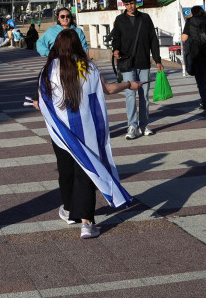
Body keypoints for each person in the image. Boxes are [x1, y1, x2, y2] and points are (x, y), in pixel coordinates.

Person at [34, 27, 136, 239]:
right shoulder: (88, 67)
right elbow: (107, 90)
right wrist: (129, 84)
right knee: (86, 172)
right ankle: (87, 224)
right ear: (77, 46)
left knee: (66, 170)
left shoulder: (49, 69)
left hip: (61, 133)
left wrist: (39, 105)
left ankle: (71, 211)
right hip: (87, 130)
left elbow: (45, 101)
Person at [111, 0, 164, 139]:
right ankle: (132, 125)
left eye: (132, 3)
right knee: (130, 94)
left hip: (144, 62)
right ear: (124, 5)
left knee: (144, 95)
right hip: (127, 62)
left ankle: (144, 125)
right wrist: (116, 50)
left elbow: (153, 39)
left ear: (136, 2)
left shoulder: (145, 18)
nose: (130, 7)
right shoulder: (120, 20)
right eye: (127, 4)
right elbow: (116, 38)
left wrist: (157, 59)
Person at [179, 6, 206, 114]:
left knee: (198, 77)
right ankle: (204, 100)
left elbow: (184, 38)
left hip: (195, 52)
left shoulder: (190, 21)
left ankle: (204, 101)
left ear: (192, 13)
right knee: (202, 76)